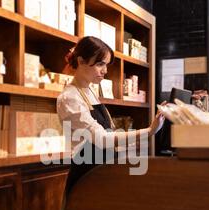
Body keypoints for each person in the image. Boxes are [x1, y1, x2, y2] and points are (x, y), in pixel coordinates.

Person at [57, 36, 165, 194]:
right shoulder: (69, 98)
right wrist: (149, 131)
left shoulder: (90, 91)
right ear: (80, 61)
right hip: (86, 178)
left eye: (106, 65)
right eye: (100, 64)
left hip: (102, 172)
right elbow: (102, 139)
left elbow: (110, 132)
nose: (105, 71)